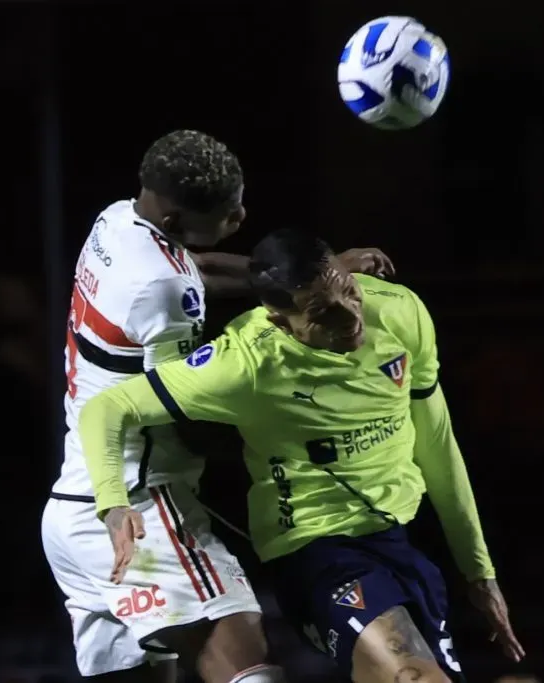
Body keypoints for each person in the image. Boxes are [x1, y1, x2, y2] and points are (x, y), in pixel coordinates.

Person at [78, 228, 526, 683]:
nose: (350, 316)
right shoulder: (245, 363)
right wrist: (112, 502)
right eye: (321, 312)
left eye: (349, 293)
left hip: (400, 541)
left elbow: (437, 443)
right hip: (316, 551)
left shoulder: (399, 312)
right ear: (278, 320)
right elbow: (107, 409)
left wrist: (478, 570)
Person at [41, 130, 394, 683]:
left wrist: (307, 279)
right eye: (230, 214)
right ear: (178, 219)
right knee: (243, 651)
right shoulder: (160, 294)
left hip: (72, 508)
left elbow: (192, 271)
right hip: (139, 504)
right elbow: (180, 411)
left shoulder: (115, 223)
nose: (243, 215)